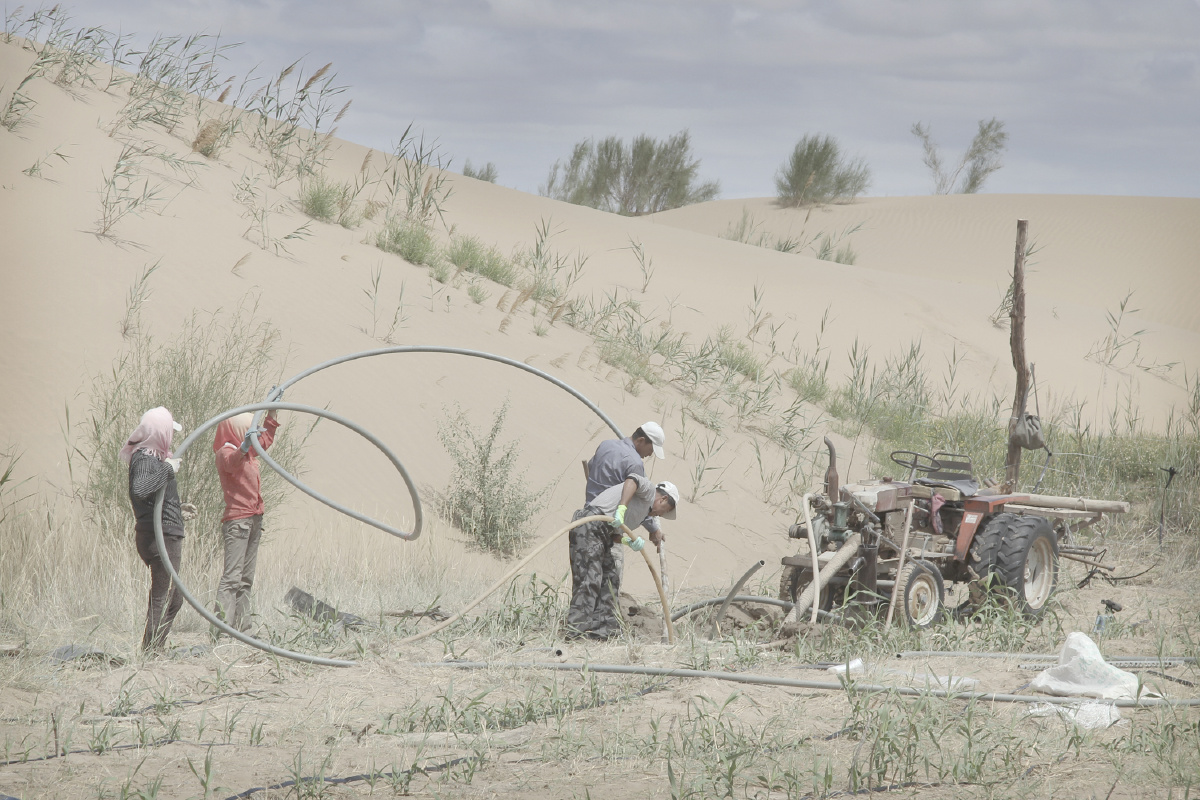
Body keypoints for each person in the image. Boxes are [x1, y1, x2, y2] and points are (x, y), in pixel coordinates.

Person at [566, 476, 680, 641]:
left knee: (610, 580)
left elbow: (614, 535)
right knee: (589, 579)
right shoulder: (648, 490)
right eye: (664, 511)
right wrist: (621, 508)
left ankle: (603, 633)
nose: (660, 515)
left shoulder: (640, 514)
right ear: (663, 499)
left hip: (603, 534)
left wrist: (627, 540)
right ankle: (575, 633)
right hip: (590, 524)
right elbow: (632, 480)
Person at [121, 406, 186, 653]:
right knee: (166, 595)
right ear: (160, 432)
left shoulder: (151, 457)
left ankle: (154, 647)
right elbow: (140, 489)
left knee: (171, 594)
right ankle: (151, 650)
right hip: (160, 536)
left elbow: (153, 497)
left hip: (163, 532)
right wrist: (168, 470)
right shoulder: (147, 458)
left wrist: (180, 509)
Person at [212, 408, 280, 633]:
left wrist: (272, 412)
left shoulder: (248, 451)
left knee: (245, 579)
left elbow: (265, 439)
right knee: (232, 579)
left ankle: (244, 629)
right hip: (238, 523)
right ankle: (222, 630)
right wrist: (243, 446)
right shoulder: (226, 451)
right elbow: (231, 462)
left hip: (254, 519)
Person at [584, 421, 667, 551]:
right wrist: (653, 528)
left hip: (585, 515)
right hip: (604, 525)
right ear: (641, 440)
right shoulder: (635, 463)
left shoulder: (606, 444)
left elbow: (591, 466)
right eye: (651, 449)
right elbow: (639, 503)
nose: (650, 454)